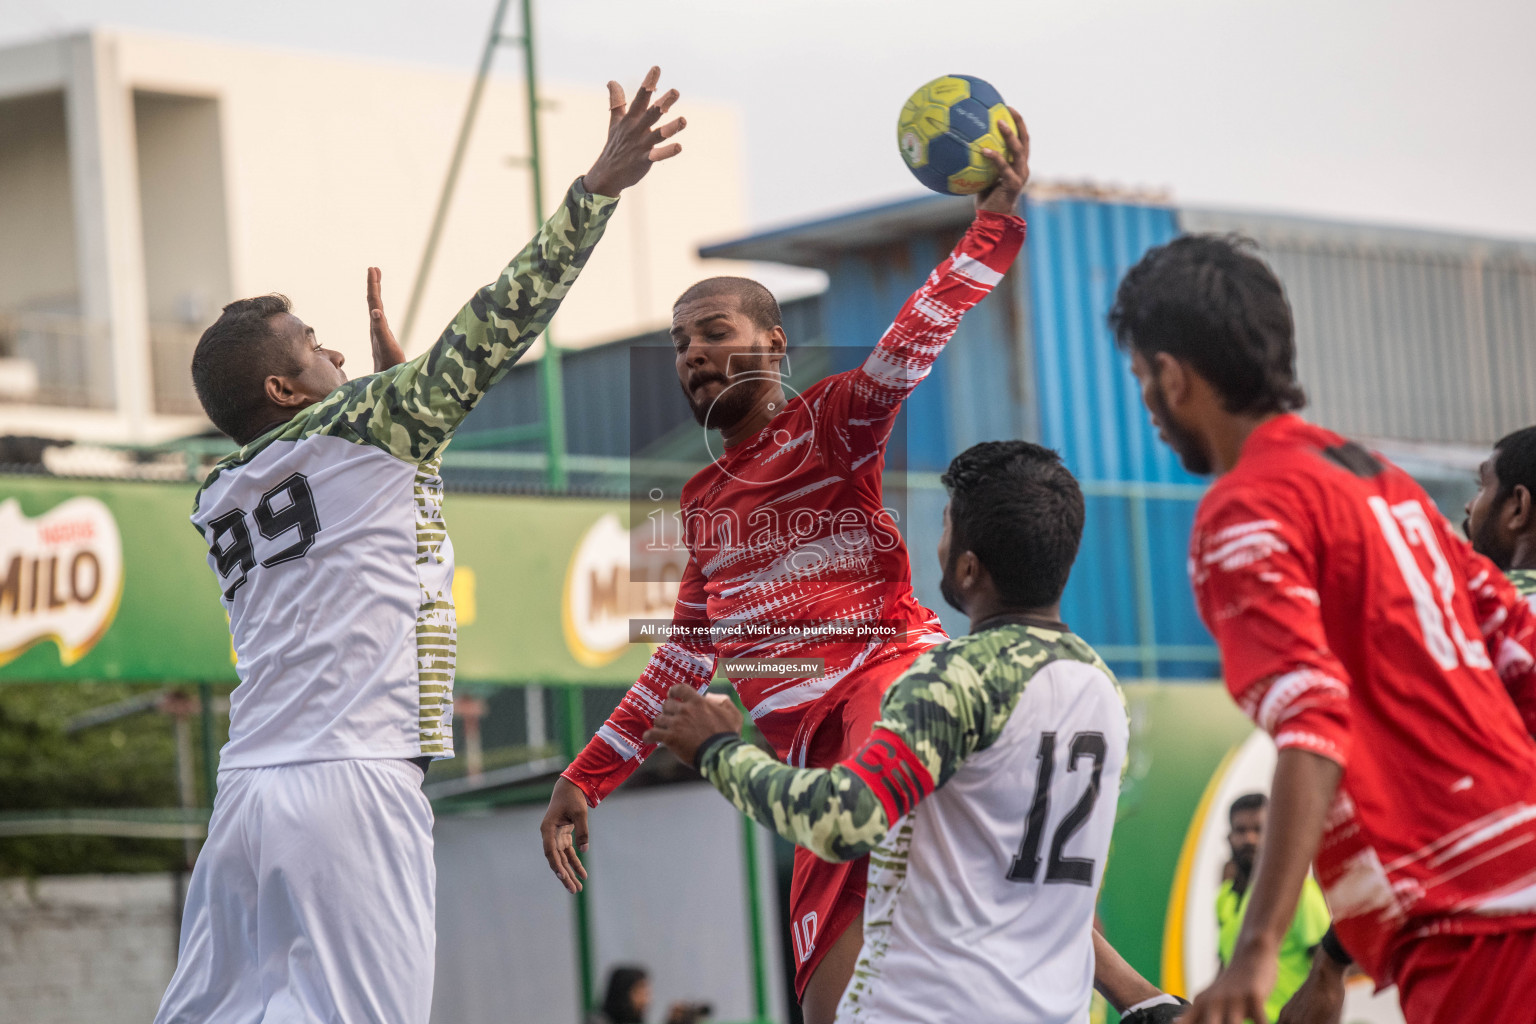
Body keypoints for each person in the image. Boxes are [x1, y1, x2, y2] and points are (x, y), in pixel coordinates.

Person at [153, 69, 686, 1024]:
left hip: (249, 796)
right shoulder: (365, 423)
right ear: (283, 389)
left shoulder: (219, 489)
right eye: (314, 345)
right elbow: (500, 320)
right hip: (354, 783)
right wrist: (596, 188)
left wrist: (414, 441)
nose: (339, 355)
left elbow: (367, 513)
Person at [539, 110, 1031, 1024]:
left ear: (775, 347)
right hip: (809, 770)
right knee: (827, 1009)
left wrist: (993, 225)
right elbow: (679, 669)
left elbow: (913, 339)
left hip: (890, 694)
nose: (693, 353)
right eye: (681, 342)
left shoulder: (835, 420)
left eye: (715, 330)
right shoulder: (700, 503)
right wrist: (583, 778)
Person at [1108, 233, 1536, 1024]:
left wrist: (1258, 950)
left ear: (1172, 376)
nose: (1150, 409)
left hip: (1472, 930)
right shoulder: (1381, 481)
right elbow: (1520, 652)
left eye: (1141, 380)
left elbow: (1313, 719)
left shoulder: (1244, 511)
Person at [643, 441, 1181, 1024]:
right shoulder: (1099, 689)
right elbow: (1031, 884)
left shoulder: (949, 680)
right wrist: (1140, 996)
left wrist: (718, 750)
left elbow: (840, 820)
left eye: (946, 526)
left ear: (969, 567)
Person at [1278, 423, 1536, 1024]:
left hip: (1495, 943)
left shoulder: (1475, 614)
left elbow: (1427, 806)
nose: (1469, 508)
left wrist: (1328, 963)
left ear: (1518, 508)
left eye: (1482, 488)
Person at [1216, 794, 1329, 1022]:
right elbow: (1224, 967)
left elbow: (1328, 972)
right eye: (1241, 830)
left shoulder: (1300, 893)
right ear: (1229, 838)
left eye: (1259, 829)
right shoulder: (1224, 897)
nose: (1249, 838)